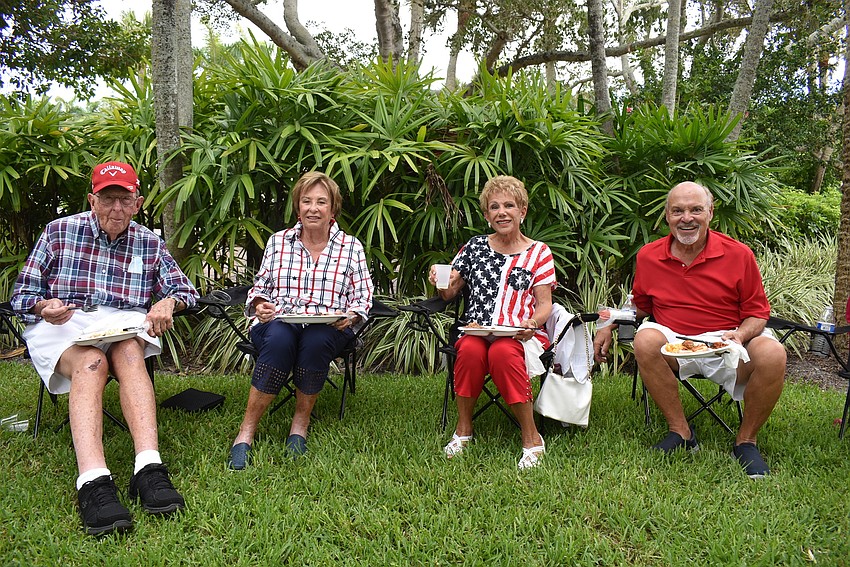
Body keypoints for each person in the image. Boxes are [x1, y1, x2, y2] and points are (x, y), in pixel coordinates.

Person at [11, 161, 199, 535]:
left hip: (120, 324)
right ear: (92, 200)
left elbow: (186, 291)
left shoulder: (149, 242)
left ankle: (148, 467)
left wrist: (167, 302)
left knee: (129, 353)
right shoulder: (58, 231)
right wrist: (44, 306)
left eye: (124, 200)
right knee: (91, 361)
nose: (116, 208)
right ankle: (93, 480)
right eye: (108, 199)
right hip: (65, 322)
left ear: (138, 203)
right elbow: (22, 295)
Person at [593, 181, 786, 479]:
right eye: (678, 211)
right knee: (645, 338)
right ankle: (681, 432)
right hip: (675, 342)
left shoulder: (739, 254)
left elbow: (757, 313)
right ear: (667, 215)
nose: (687, 218)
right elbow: (641, 306)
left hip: (728, 340)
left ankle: (746, 442)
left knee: (773, 353)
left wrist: (740, 335)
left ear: (710, 213)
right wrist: (609, 323)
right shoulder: (649, 255)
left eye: (696, 209)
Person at [227, 171, 373, 470]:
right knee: (280, 338)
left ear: (333, 209)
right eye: (306, 201)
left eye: (321, 202)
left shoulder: (351, 247)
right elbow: (260, 288)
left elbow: (364, 296)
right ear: (298, 207)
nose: (313, 208)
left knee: (316, 339)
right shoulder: (278, 242)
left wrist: (351, 315)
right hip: (280, 321)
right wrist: (260, 305)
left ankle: (300, 424)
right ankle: (246, 431)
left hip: (330, 326)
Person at [429, 175, 556, 470]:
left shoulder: (539, 252)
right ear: (486, 215)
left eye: (509, 205)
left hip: (519, 334)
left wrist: (531, 323)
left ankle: (531, 437)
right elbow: (449, 293)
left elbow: (544, 304)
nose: (502, 212)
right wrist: (439, 279)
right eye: (494, 207)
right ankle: (463, 430)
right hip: (477, 330)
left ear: (522, 211)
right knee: (469, 349)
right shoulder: (474, 247)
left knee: (502, 351)